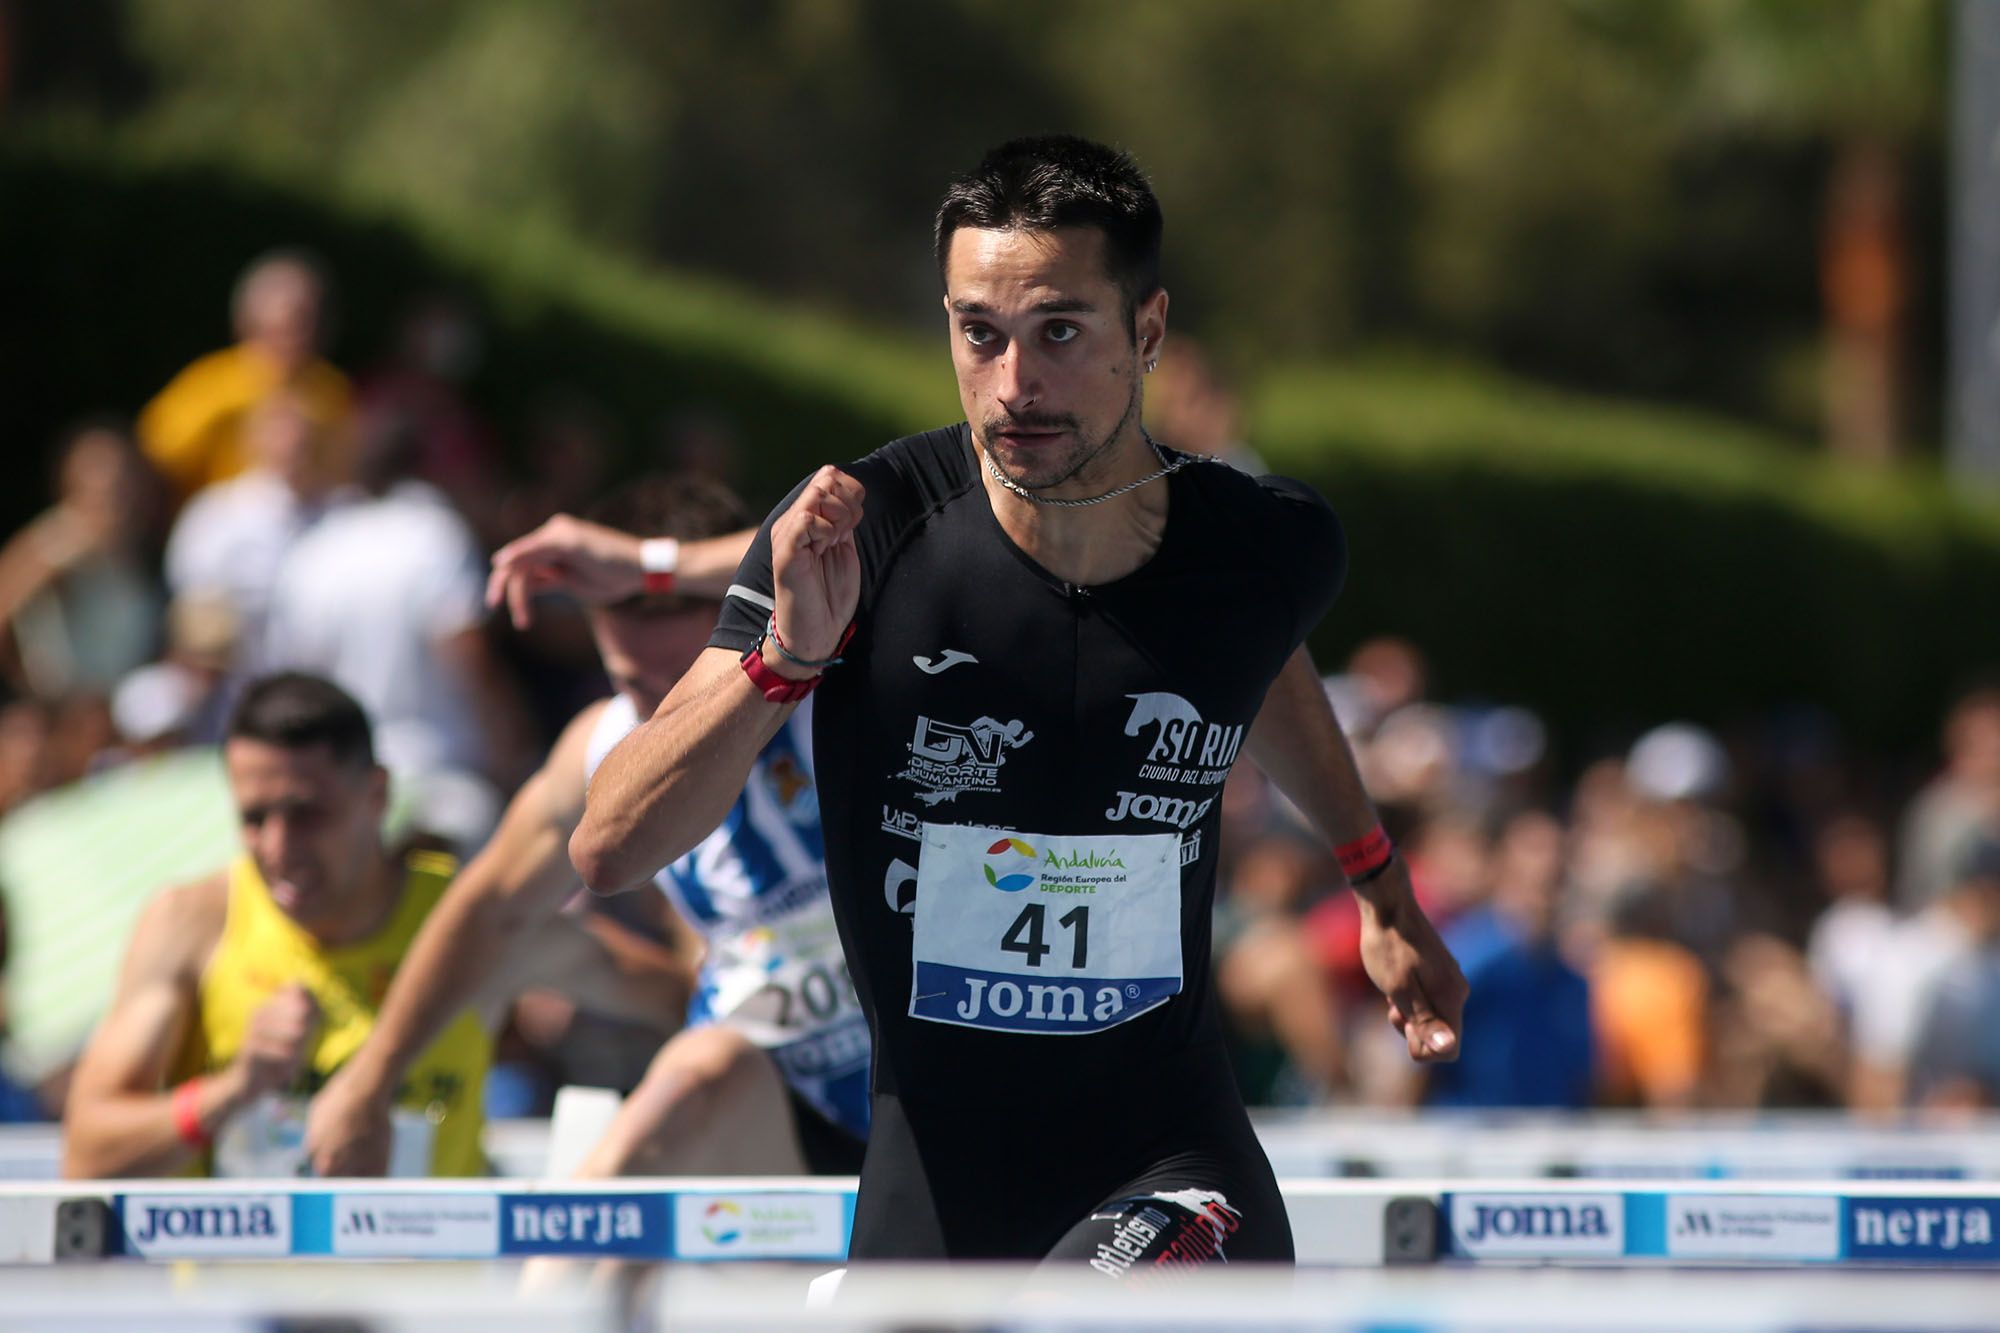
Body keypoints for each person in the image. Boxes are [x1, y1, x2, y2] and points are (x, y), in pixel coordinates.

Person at [570, 135, 1464, 1271]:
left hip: (1169, 1168)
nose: (1012, 385)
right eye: (976, 333)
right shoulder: (864, 528)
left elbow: (1258, 668)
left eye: (1057, 333)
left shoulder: (1265, 547)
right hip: (931, 1187)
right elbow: (608, 846)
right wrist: (784, 661)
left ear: (1145, 331)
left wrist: (1375, 880)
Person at [305, 477, 870, 1180]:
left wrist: (650, 563)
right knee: (691, 1060)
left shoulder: (853, 680)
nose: (665, 722)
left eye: (686, 680)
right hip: (779, 1115)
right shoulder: (598, 748)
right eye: (636, 687)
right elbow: (490, 910)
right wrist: (370, 1078)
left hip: (937, 1089)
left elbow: (900, 520)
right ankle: (558, 1283)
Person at [59, 672, 676, 1179]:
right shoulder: (191, 922)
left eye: (307, 814)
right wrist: (234, 1091)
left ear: (376, 794)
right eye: (254, 817)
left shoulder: (470, 919)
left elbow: (682, 999)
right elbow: (87, 1156)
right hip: (241, 1309)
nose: (279, 847)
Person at [137, 250, 353, 503]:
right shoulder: (209, 386)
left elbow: (345, 473)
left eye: (313, 319)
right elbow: (154, 459)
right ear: (249, 322)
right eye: (293, 321)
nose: (304, 333)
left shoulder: (333, 391)